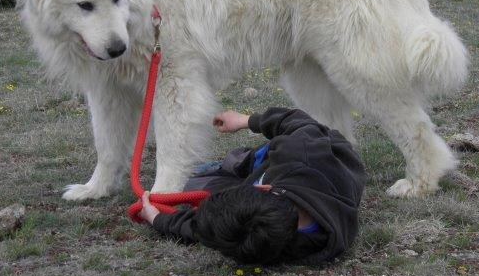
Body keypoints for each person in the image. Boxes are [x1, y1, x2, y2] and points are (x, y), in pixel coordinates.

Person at [138, 107, 366, 265]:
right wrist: (245, 120)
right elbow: (296, 121)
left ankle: (225, 167)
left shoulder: (260, 242)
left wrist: (157, 218)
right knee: (238, 163)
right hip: (323, 155)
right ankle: (241, 162)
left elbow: (204, 229)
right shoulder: (299, 151)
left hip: (288, 176)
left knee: (194, 184)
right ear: (266, 187)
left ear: (262, 186)